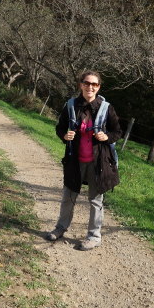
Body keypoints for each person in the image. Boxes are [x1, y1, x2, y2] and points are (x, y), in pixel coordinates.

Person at [46, 71, 122, 250]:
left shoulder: (106, 108)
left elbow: (117, 132)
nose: (90, 87)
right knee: (68, 196)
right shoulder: (71, 106)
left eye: (94, 84)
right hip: (75, 160)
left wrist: (106, 137)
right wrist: (65, 136)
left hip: (98, 163)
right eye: (87, 83)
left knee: (96, 200)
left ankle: (94, 236)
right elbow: (60, 128)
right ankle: (60, 228)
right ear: (81, 84)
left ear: (99, 87)